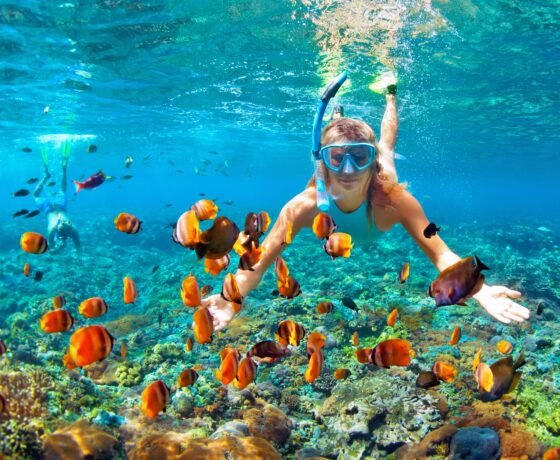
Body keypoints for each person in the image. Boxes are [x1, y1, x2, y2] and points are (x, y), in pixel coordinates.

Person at [201, 74, 530, 330]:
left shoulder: (396, 200)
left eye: (360, 157)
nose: (348, 170)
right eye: (337, 158)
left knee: (387, 144)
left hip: (383, 173)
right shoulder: (304, 206)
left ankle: (390, 94)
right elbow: (258, 261)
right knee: (345, 137)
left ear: (372, 164)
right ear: (323, 162)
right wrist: (232, 298)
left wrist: (479, 289)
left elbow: (441, 253)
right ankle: (338, 115)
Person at [33, 139, 81, 254]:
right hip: (50, 207)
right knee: (36, 195)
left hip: (56, 206)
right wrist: (60, 247)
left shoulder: (59, 229)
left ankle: (56, 173)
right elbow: (53, 250)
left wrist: (59, 247)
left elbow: (52, 249)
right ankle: (57, 172)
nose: (61, 221)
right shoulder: (65, 230)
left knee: (60, 189)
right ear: (69, 224)